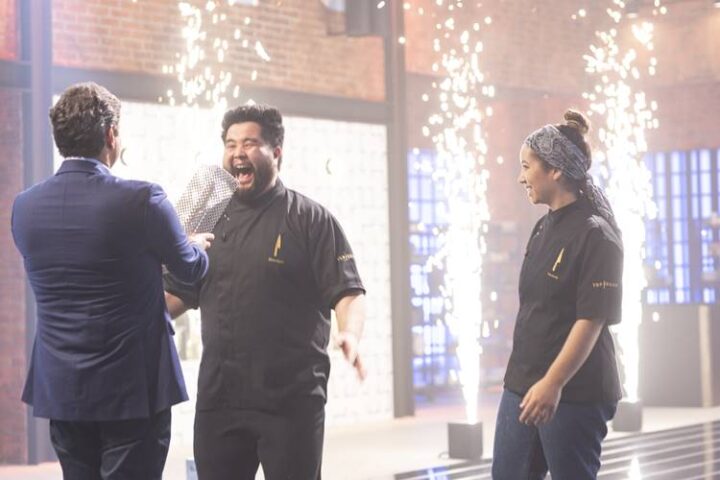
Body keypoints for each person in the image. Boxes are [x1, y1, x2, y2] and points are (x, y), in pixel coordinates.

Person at [11, 82, 214, 479]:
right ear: (111, 134)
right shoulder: (143, 199)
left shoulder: (24, 206)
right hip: (131, 388)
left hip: (63, 386)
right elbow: (189, 269)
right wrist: (197, 245)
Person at [164, 104, 367, 480]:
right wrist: (131, 313)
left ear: (276, 152)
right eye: (230, 144)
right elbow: (177, 295)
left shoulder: (310, 219)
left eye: (249, 143)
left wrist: (350, 334)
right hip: (220, 400)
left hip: (291, 402)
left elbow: (348, 292)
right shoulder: (209, 219)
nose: (237, 153)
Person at [492, 110, 624, 480]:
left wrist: (553, 383)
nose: (520, 177)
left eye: (526, 166)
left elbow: (590, 320)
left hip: (574, 390)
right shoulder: (541, 229)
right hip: (522, 385)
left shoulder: (596, 235)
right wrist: (528, 381)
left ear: (555, 170)